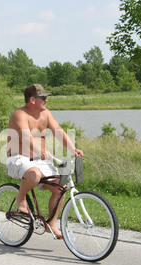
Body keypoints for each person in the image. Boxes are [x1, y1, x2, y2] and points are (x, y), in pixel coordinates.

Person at [6, 84, 83, 238]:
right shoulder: (19, 115)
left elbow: (58, 131)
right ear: (32, 100)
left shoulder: (45, 114)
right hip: (18, 158)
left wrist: (73, 148)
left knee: (60, 188)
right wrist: (40, 151)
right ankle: (20, 198)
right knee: (34, 174)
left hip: (40, 159)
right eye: (43, 98)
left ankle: (51, 223)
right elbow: (26, 137)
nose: (47, 100)